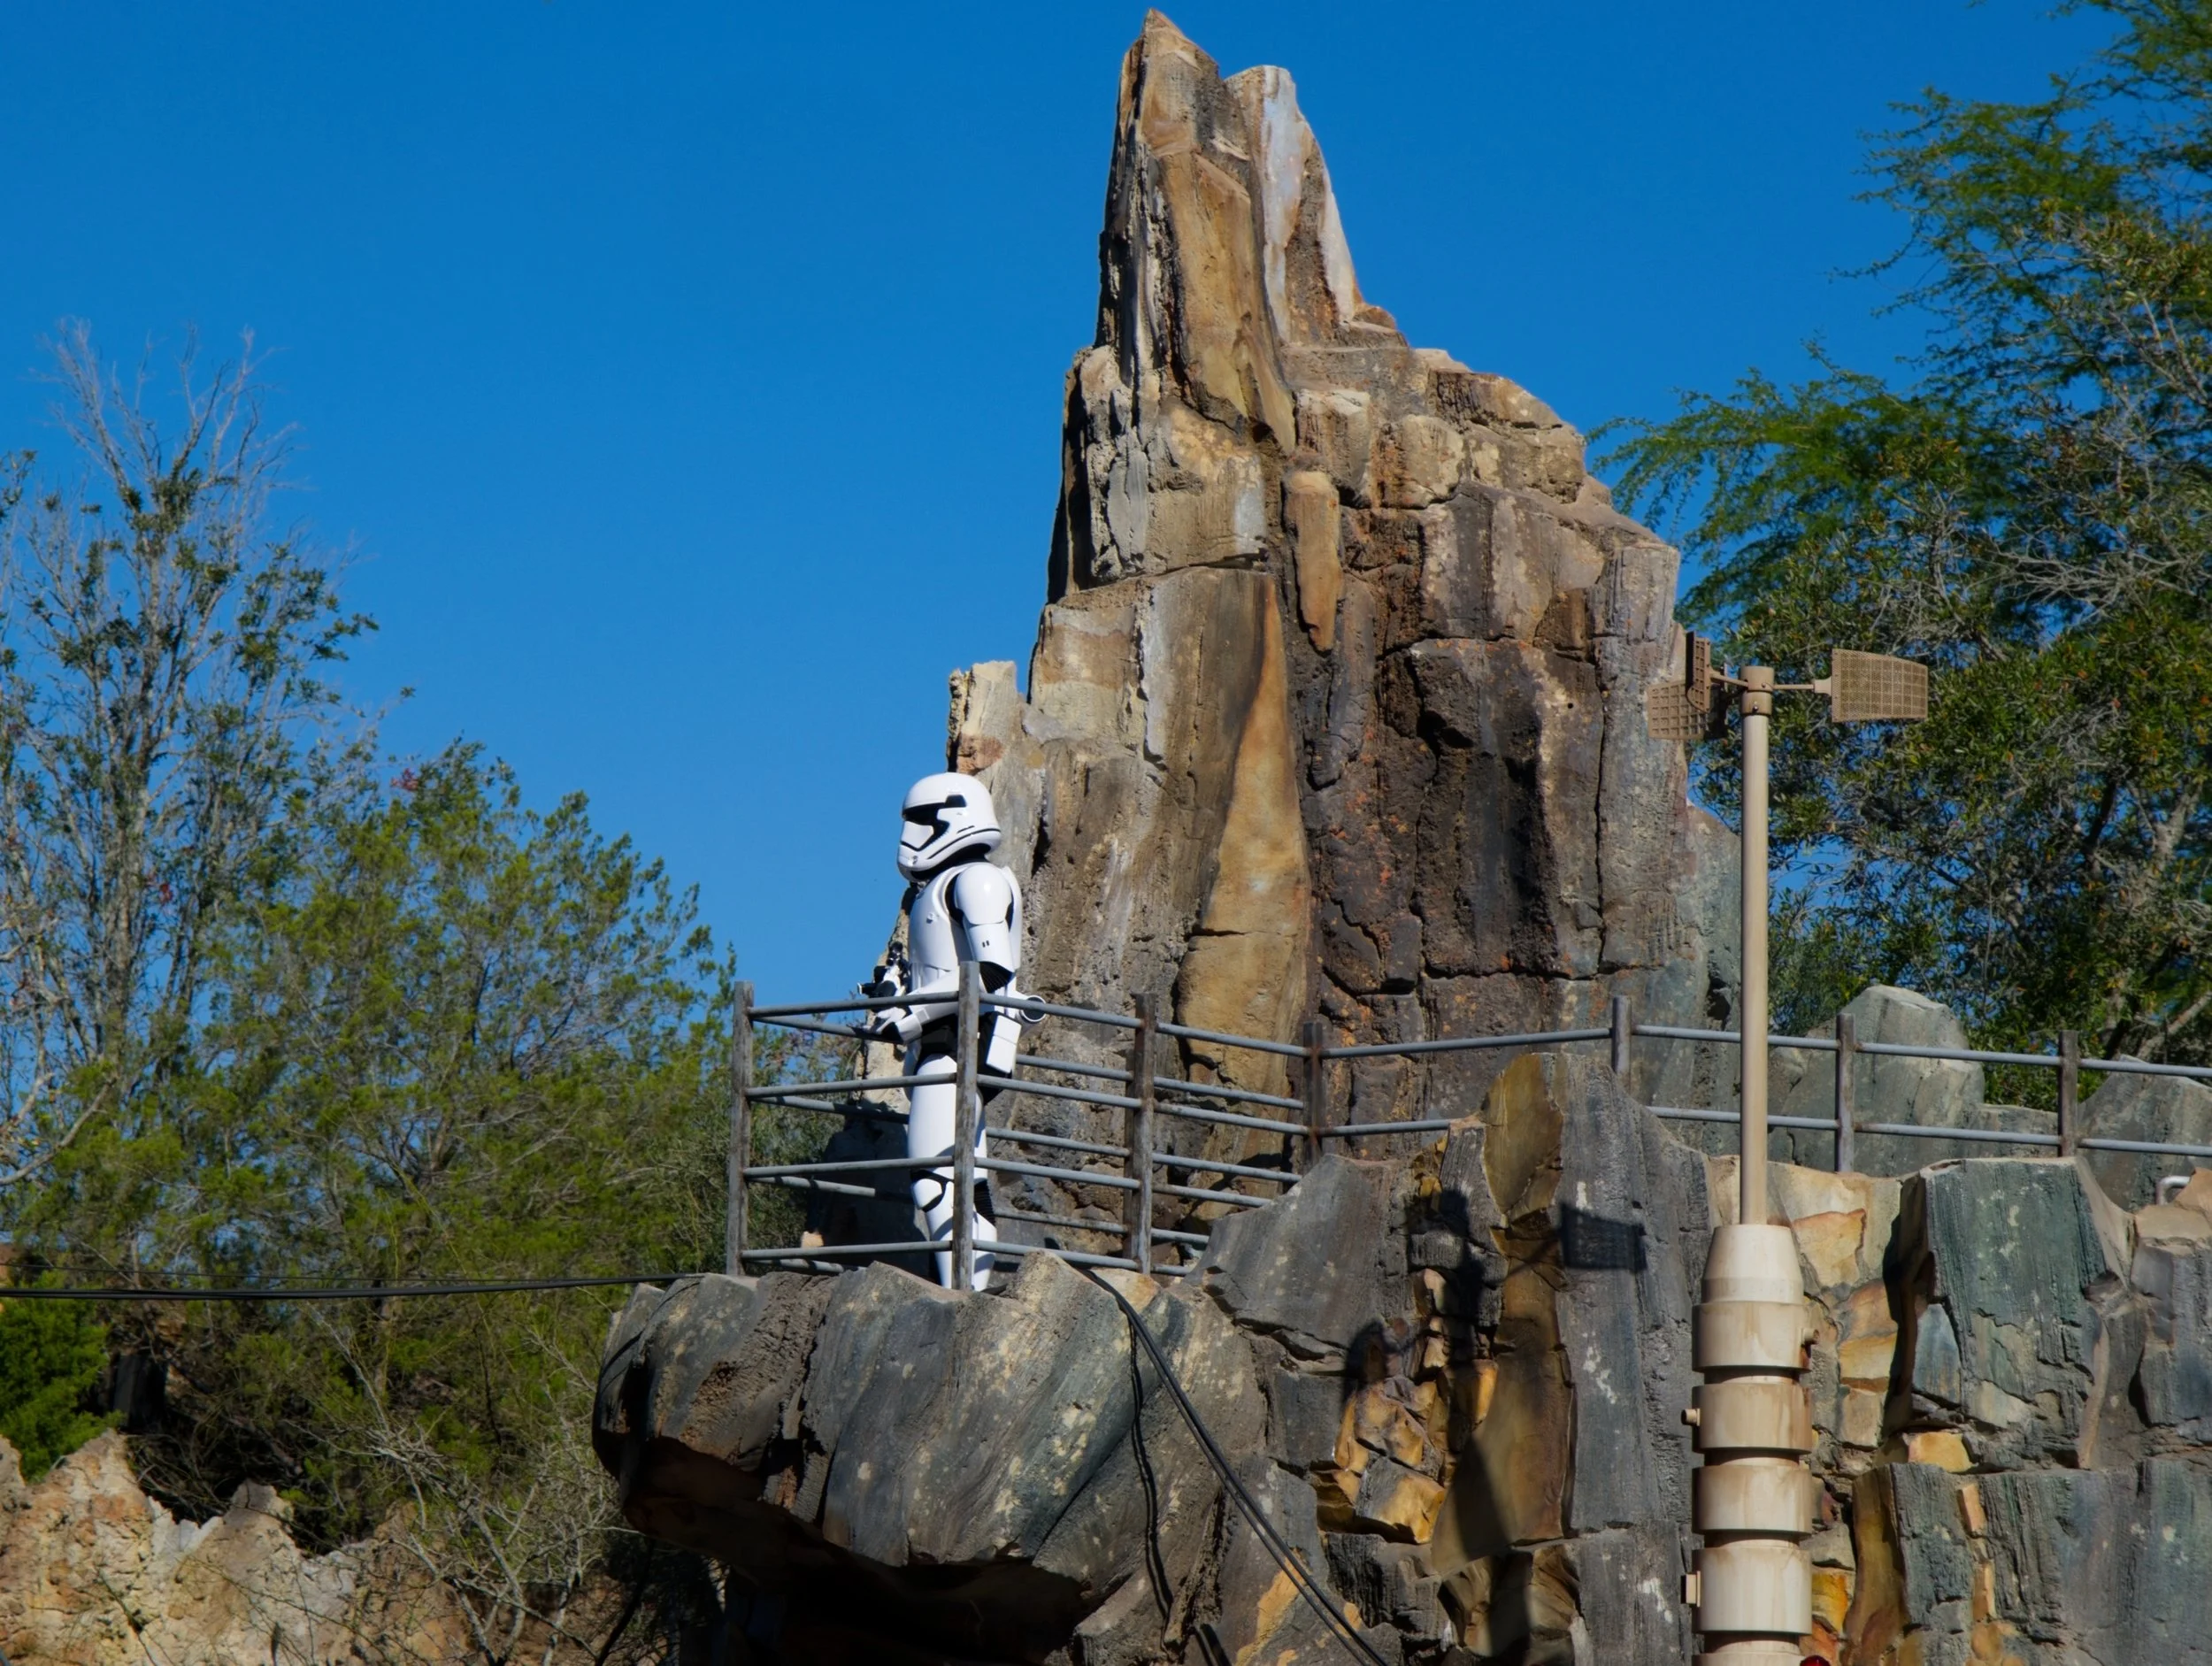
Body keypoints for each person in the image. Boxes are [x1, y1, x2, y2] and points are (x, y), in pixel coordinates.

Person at [857, 772, 1038, 1290]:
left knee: (936, 1177)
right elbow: (937, 970)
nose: (911, 834)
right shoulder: (936, 889)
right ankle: (967, 1291)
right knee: (963, 1174)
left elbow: (991, 972)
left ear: (952, 818)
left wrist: (910, 1015)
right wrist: (892, 992)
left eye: (921, 820)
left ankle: (962, 1294)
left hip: (963, 1041)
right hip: (943, 1043)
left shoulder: (977, 880)